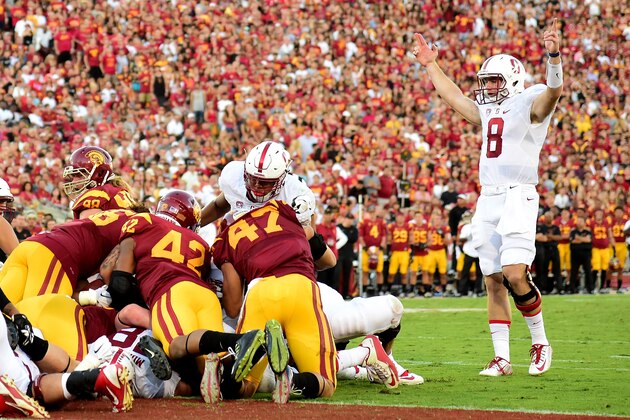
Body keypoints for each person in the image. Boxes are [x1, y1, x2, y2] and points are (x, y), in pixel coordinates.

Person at [412, 18, 562, 376]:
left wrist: (554, 57)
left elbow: (553, 94)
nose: (489, 87)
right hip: (490, 196)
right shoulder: (490, 108)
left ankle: (540, 341)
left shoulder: (529, 100)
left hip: (519, 194)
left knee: (514, 272)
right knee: (492, 277)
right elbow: (454, 97)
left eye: (494, 80)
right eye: (487, 81)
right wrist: (431, 65)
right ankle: (502, 358)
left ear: (511, 80)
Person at [212, 200, 341, 403]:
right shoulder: (280, 209)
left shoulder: (225, 237)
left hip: (260, 292)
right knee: (326, 382)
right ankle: (293, 380)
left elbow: (234, 306)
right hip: (300, 286)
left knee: (248, 385)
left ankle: (224, 378)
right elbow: (329, 261)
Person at [200, 140, 316, 228]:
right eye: (252, 179)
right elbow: (219, 206)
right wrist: (192, 226)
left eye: (264, 182)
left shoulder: (295, 192)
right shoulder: (234, 175)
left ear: (281, 178)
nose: (256, 185)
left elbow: (310, 240)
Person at [62, 146, 136, 219]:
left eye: (79, 175)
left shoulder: (96, 197)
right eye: (73, 176)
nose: (74, 181)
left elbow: (87, 229)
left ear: (99, 174)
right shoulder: (117, 190)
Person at [569, 216, 593, 294]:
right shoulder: (573, 232)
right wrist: (583, 239)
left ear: (584, 222)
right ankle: (572, 289)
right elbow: (572, 241)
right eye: (578, 221)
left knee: (588, 271)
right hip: (575, 254)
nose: (579, 223)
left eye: (580, 221)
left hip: (586, 254)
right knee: (574, 272)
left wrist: (578, 238)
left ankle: (590, 289)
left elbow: (588, 240)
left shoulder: (588, 231)